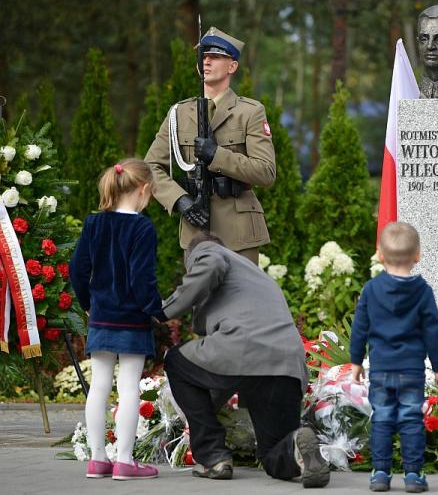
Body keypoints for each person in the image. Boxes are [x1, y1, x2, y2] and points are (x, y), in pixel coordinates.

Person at [161, 233, 329, 487]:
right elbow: (221, 377)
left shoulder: (208, 252)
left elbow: (212, 265)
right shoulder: (256, 275)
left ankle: (214, 457)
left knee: (176, 361)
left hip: (243, 349)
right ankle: (296, 447)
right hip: (286, 363)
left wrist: (161, 311)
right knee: (272, 454)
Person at [145, 27, 275, 265]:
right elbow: (150, 167)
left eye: (214, 56)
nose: (206, 61)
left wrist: (217, 155)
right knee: (201, 302)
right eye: (203, 56)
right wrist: (180, 200)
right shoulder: (179, 113)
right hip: (196, 228)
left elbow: (266, 172)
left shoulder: (250, 112)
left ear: (232, 66)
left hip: (240, 232)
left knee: (241, 302)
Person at [70, 159, 166, 480]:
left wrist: (89, 304)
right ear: (144, 190)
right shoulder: (142, 228)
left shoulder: (93, 224)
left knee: (97, 386)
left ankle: (98, 459)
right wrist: (157, 309)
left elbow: (77, 270)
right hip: (132, 321)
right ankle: (124, 460)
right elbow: (142, 279)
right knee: (128, 388)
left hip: (101, 318)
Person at [349, 222, 438, 493]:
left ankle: (380, 473)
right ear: (417, 255)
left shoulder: (371, 289)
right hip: (411, 369)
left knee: (381, 417)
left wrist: (356, 361)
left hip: (381, 369)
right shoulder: (423, 291)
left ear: (380, 254)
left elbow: (360, 328)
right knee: (410, 419)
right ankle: (413, 475)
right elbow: (432, 332)